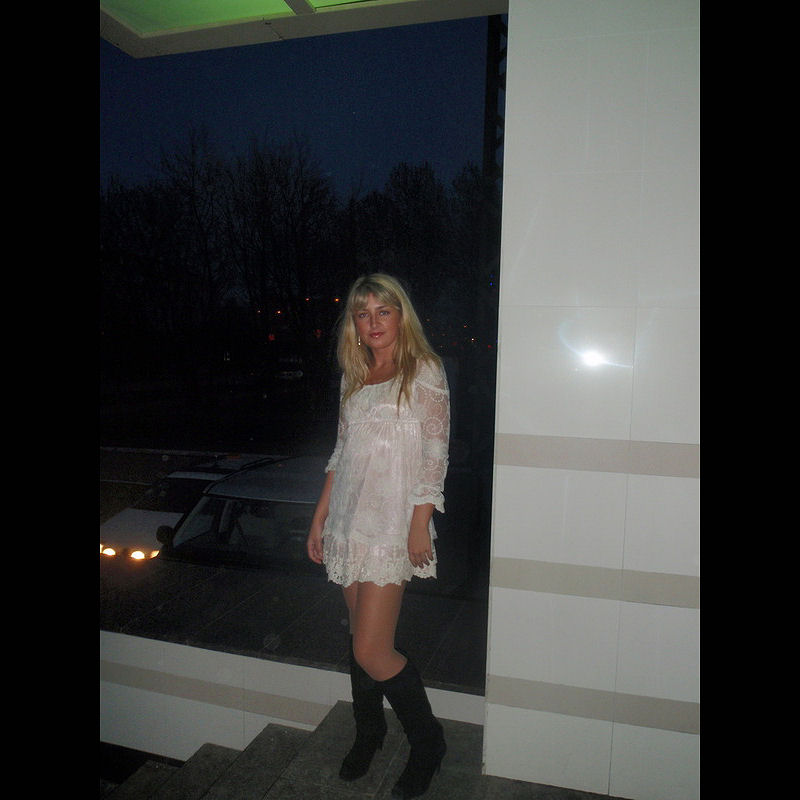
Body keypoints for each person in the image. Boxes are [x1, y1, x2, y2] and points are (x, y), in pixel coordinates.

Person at [307, 273, 449, 799]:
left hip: (392, 525)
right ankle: (370, 731)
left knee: (372, 648)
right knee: (359, 638)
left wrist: (418, 524)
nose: (373, 322)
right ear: (355, 324)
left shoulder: (424, 369)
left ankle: (428, 743)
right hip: (349, 520)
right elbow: (340, 454)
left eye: (383, 311)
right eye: (363, 314)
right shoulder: (356, 374)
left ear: (400, 314)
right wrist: (320, 516)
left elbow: (435, 454)